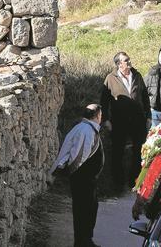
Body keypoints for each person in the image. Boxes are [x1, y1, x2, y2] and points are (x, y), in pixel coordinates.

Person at [51, 104, 105, 247]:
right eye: (101, 115)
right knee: (83, 211)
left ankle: (86, 240)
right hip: (83, 179)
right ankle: (82, 242)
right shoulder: (86, 130)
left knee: (90, 208)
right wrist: (73, 174)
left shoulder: (85, 128)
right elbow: (78, 157)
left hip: (87, 179)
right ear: (97, 116)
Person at [100, 52, 150, 188]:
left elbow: (145, 97)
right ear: (118, 64)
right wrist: (106, 120)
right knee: (118, 152)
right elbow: (104, 102)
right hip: (119, 122)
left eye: (129, 59)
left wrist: (148, 116)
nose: (129, 62)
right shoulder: (110, 78)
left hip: (138, 120)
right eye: (125, 60)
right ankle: (118, 184)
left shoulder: (137, 75)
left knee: (138, 151)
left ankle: (135, 182)